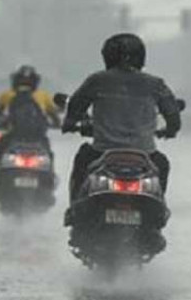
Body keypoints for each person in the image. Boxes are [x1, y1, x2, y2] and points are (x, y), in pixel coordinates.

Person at [61, 33, 181, 215]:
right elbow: (173, 115)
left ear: (108, 56)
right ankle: (158, 212)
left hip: (101, 152)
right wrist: (170, 130)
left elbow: (76, 106)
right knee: (162, 164)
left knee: (82, 159)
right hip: (145, 154)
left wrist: (70, 123)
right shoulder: (155, 84)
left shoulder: (97, 80)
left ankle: (75, 211)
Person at [0, 65, 59, 165]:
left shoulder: (6, 95)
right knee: (48, 152)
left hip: (14, 134)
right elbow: (54, 116)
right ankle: (50, 175)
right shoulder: (44, 95)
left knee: (0, 149)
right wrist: (56, 124)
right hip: (38, 136)